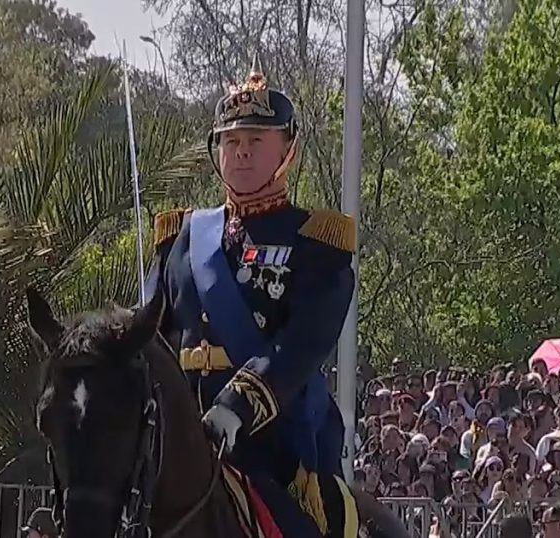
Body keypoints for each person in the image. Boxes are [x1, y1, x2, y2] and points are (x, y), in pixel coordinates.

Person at [146, 58, 356, 538]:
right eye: (231, 141)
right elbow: (149, 335)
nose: (241, 153)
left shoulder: (315, 243)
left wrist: (235, 406)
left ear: (288, 149)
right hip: (176, 445)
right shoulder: (180, 239)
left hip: (272, 449)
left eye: (256, 141)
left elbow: (301, 347)